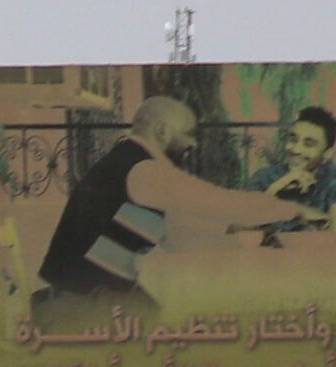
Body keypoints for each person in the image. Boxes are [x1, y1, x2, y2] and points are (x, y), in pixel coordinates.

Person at [36, 95, 315, 310]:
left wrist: (238, 235)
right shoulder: (145, 170)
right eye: (189, 133)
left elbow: (176, 233)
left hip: (78, 295)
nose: (193, 143)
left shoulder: (125, 161)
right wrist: (294, 209)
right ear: (161, 132)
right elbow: (221, 202)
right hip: (79, 307)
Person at [245, 106, 336, 240]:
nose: (296, 149)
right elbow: (240, 227)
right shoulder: (264, 176)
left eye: (308, 144)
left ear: (327, 154)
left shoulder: (333, 178)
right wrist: (278, 186)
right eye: (293, 140)